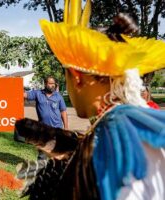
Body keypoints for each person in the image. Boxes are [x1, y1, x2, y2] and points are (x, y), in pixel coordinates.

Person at [14, 0, 165, 199]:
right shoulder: (116, 118)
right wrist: (74, 152)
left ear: (76, 77)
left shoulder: (121, 123)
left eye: (65, 77)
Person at [24, 76, 68, 160]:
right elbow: (24, 95)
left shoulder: (58, 96)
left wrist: (66, 127)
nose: (52, 85)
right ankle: (41, 170)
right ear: (45, 84)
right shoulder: (38, 93)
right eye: (50, 83)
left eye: (53, 84)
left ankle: (56, 171)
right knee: (42, 154)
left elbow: (63, 111)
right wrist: (14, 85)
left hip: (57, 129)